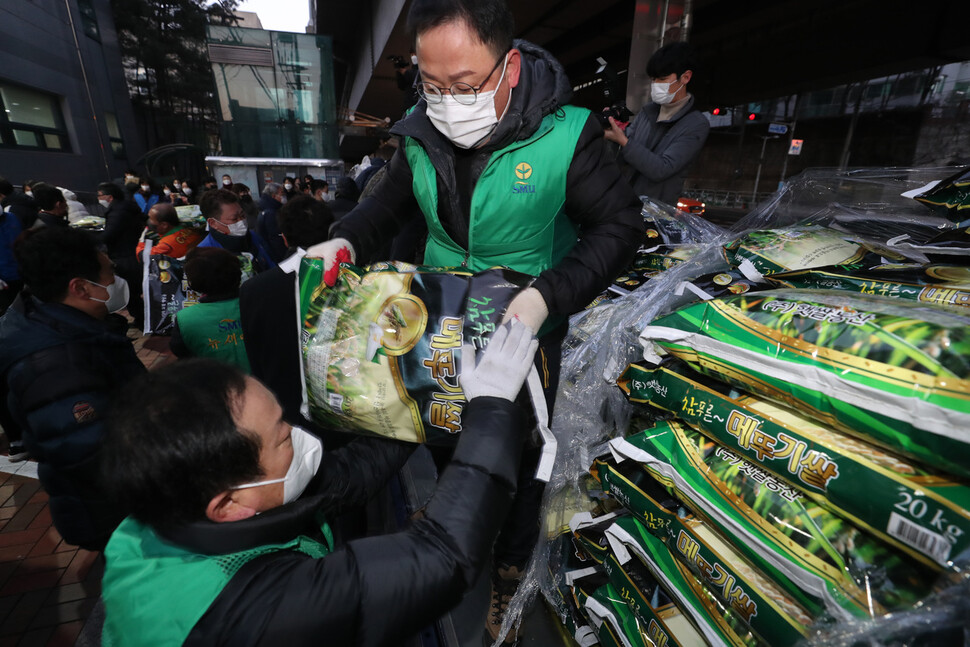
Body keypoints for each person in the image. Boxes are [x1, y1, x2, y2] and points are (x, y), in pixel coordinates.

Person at [309, 2, 643, 642]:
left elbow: (621, 226)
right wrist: (345, 240)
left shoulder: (567, 137)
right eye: (432, 87)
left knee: (517, 455)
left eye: (463, 86)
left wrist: (550, 293)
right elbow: (385, 205)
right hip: (437, 319)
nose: (447, 102)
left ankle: (510, 572)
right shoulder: (420, 134)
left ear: (509, 66)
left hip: (522, 330)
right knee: (429, 424)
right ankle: (450, 517)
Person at [100, 317, 537, 646]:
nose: (301, 436)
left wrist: (421, 396)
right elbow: (441, 558)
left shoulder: (169, 508)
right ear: (229, 505)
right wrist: (493, 412)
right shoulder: (257, 610)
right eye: (283, 437)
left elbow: (347, 478)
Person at [0, 227, 144, 550]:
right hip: (116, 510)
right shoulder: (55, 365)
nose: (115, 283)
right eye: (109, 275)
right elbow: (90, 454)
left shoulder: (56, 323)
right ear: (79, 287)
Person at [240, 195, 333, 429]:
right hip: (346, 409)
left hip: (286, 413)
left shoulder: (255, 290)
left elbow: (256, 357)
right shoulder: (355, 279)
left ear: (284, 238)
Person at [602, 42, 710, 205]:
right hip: (625, 202)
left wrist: (623, 141)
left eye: (663, 79)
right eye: (653, 79)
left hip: (656, 213)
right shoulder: (648, 112)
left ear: (685, 77)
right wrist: (612, 134)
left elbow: (661, 169)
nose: (656, 84)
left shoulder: (696, 124)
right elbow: (624, 157)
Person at [170, 247, 250, 372]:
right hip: (267, 382)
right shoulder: (259, 302)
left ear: (193, 282)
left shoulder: (185, 318)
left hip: (217, 383)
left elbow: (180, 351)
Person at [97, 181, 146, 327]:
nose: (98, 199)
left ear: (110, 197)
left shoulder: (117, 212)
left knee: (131, 291)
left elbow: (109, 235)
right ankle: (142, 318)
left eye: (100, 196)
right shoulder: (126, 208)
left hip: (125, 255)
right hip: (132, 252)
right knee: (134, 290)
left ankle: (142, 320)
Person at [197, 188, 276, 275]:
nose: (241, 221)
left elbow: (271, 266)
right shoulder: (204, 255)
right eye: (234, 219)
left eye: (242, 215)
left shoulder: (253, 237)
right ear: (213, 223)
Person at [135, 203, 203, 259]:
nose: (149, 222)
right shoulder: (189, 227)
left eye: (151, 219)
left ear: (164, 225)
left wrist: (141, 242)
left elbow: (144, 256)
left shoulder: (165, 245)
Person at [256, 182, 288, 263]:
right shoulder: (271, 213)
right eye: (281, 194)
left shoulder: (266, 208)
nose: (283, 196)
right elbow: (275, 238)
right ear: (274, 196)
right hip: (277, 256)